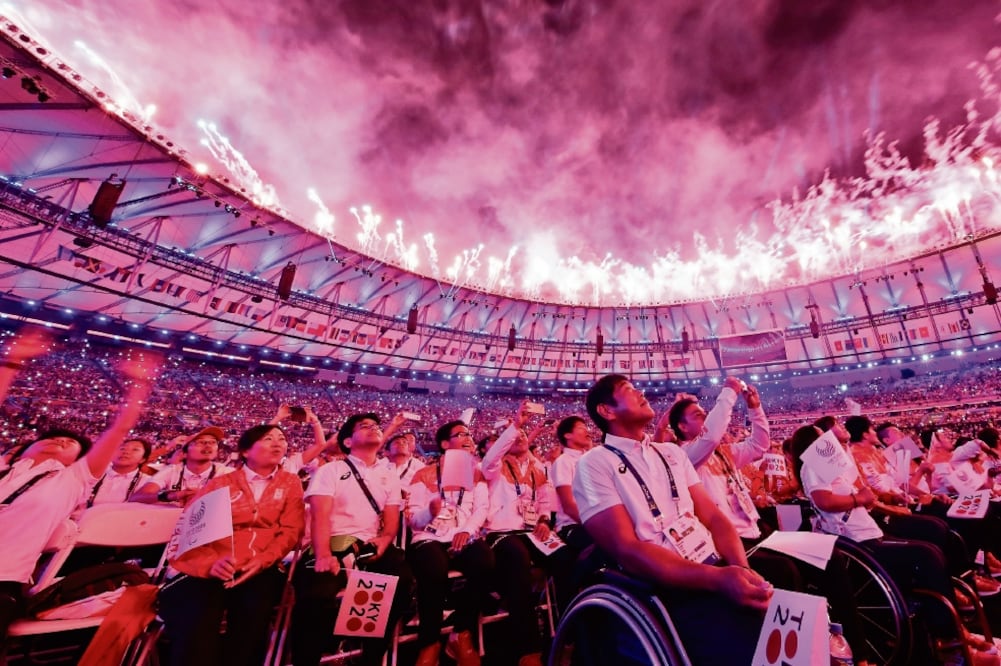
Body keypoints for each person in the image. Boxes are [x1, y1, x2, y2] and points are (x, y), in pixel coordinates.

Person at [572, 374, 771, 665]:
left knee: (784, 592)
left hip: (712, 563)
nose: (640, 391)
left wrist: (741, 571)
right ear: (607, 411)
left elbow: (714, 517)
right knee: (746, 637)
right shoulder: (594, 463)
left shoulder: (672, 453)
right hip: (664, 583)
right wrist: (718, 580)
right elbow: (627, 548)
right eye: (628, 389)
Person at [0, 328, 157, 640]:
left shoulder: (69, 481)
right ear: (22, 449)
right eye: (51, 438)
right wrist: (11, 362)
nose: (61, 441)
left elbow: (119, 429)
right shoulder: (5, 470)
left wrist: (140, 385)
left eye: (71, 443)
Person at [789, 424, 991, 663]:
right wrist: (857, 498)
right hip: (856, 541)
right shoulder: (814, 464)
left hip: (869, 531)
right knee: (927, 555)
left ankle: (955, 628)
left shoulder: (836, 466)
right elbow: (823, 500)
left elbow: (866, 494)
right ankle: (951, 642)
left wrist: (863, 491)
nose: (829, 438)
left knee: (932, 546)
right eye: (823, 435)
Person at [157, 424, 305, 666]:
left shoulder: (290, 483)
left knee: (253, 615)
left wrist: (263, 560)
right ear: (246, 451)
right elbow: (195, 531)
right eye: (268, 439)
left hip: (261, 567)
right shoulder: (220, 483)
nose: (278, 443)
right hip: (214, 566)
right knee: (197, 615)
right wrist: (210, 564)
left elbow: (291, 531)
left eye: (282, 438)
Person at [290, 413, 414, 666]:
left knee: (402, 583)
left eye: (376, 426)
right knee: (317, 596)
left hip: (368, 545)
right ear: (348, 441)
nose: (373, 428)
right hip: (332, 543)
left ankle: (369, 655)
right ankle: (309, 657)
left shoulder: (388, 474)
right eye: (364, 426)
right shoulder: (331, 470)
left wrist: (385, 539)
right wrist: (323, 553)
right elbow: (320, 515)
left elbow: (391, 518)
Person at [481, 402, 569, 666]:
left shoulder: (536, 468)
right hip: (501, 533)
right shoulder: (493, 467)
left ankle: (569, 631)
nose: (519, 438)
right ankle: (527, 647)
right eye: (513, 436)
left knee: (565, 557)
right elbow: (490, 458)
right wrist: (516, 425)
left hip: (532, 531)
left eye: (521, 436)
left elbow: (545, 501)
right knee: (518, 560)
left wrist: (543, 520)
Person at [406, 420, 493, 666]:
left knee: (485, 562)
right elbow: (413, 519)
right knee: (433, 569)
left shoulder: (477, 474)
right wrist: (430, 513)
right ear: (445, 444)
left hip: (462, 534)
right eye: (460, 434)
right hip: (430, 536)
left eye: (470, 434)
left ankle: (461, 633)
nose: (468, 438)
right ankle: (429, 642)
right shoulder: (422, 474)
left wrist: (466, 530)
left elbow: (481, 508)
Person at [131, 427, 234, 505]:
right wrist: (172, 495)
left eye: (213, 442)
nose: (208, 445)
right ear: (184, 453)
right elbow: (137, 497)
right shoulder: (172, 471)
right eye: (200, 442)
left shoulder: (226, 472)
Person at [81, 437, 153, 508]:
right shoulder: (93, 473)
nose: (126, 452)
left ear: (143, 459)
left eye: (135, 449)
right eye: (122, 448)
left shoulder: (148, 483)